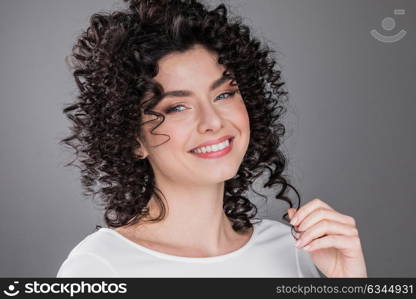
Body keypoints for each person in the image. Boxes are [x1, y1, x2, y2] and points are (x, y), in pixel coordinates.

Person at [57, 0, 367, 277]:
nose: (213, 122)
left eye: (224, 94)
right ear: (132, 139)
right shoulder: (100, 268)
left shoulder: (297, 251)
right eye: (177, 107)